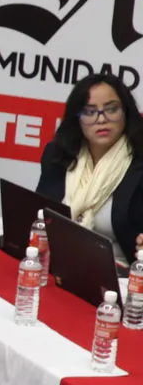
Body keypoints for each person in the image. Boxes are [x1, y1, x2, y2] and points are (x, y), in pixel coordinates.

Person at [35, 74, 143, 259]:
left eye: (112, 109)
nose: (101, 119)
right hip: (55, 264)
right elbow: (39, 214)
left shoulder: (139, 163)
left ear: (126, 112)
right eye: (90, 112)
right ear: (77, 118)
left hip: (123, 276)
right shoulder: (58, 156)